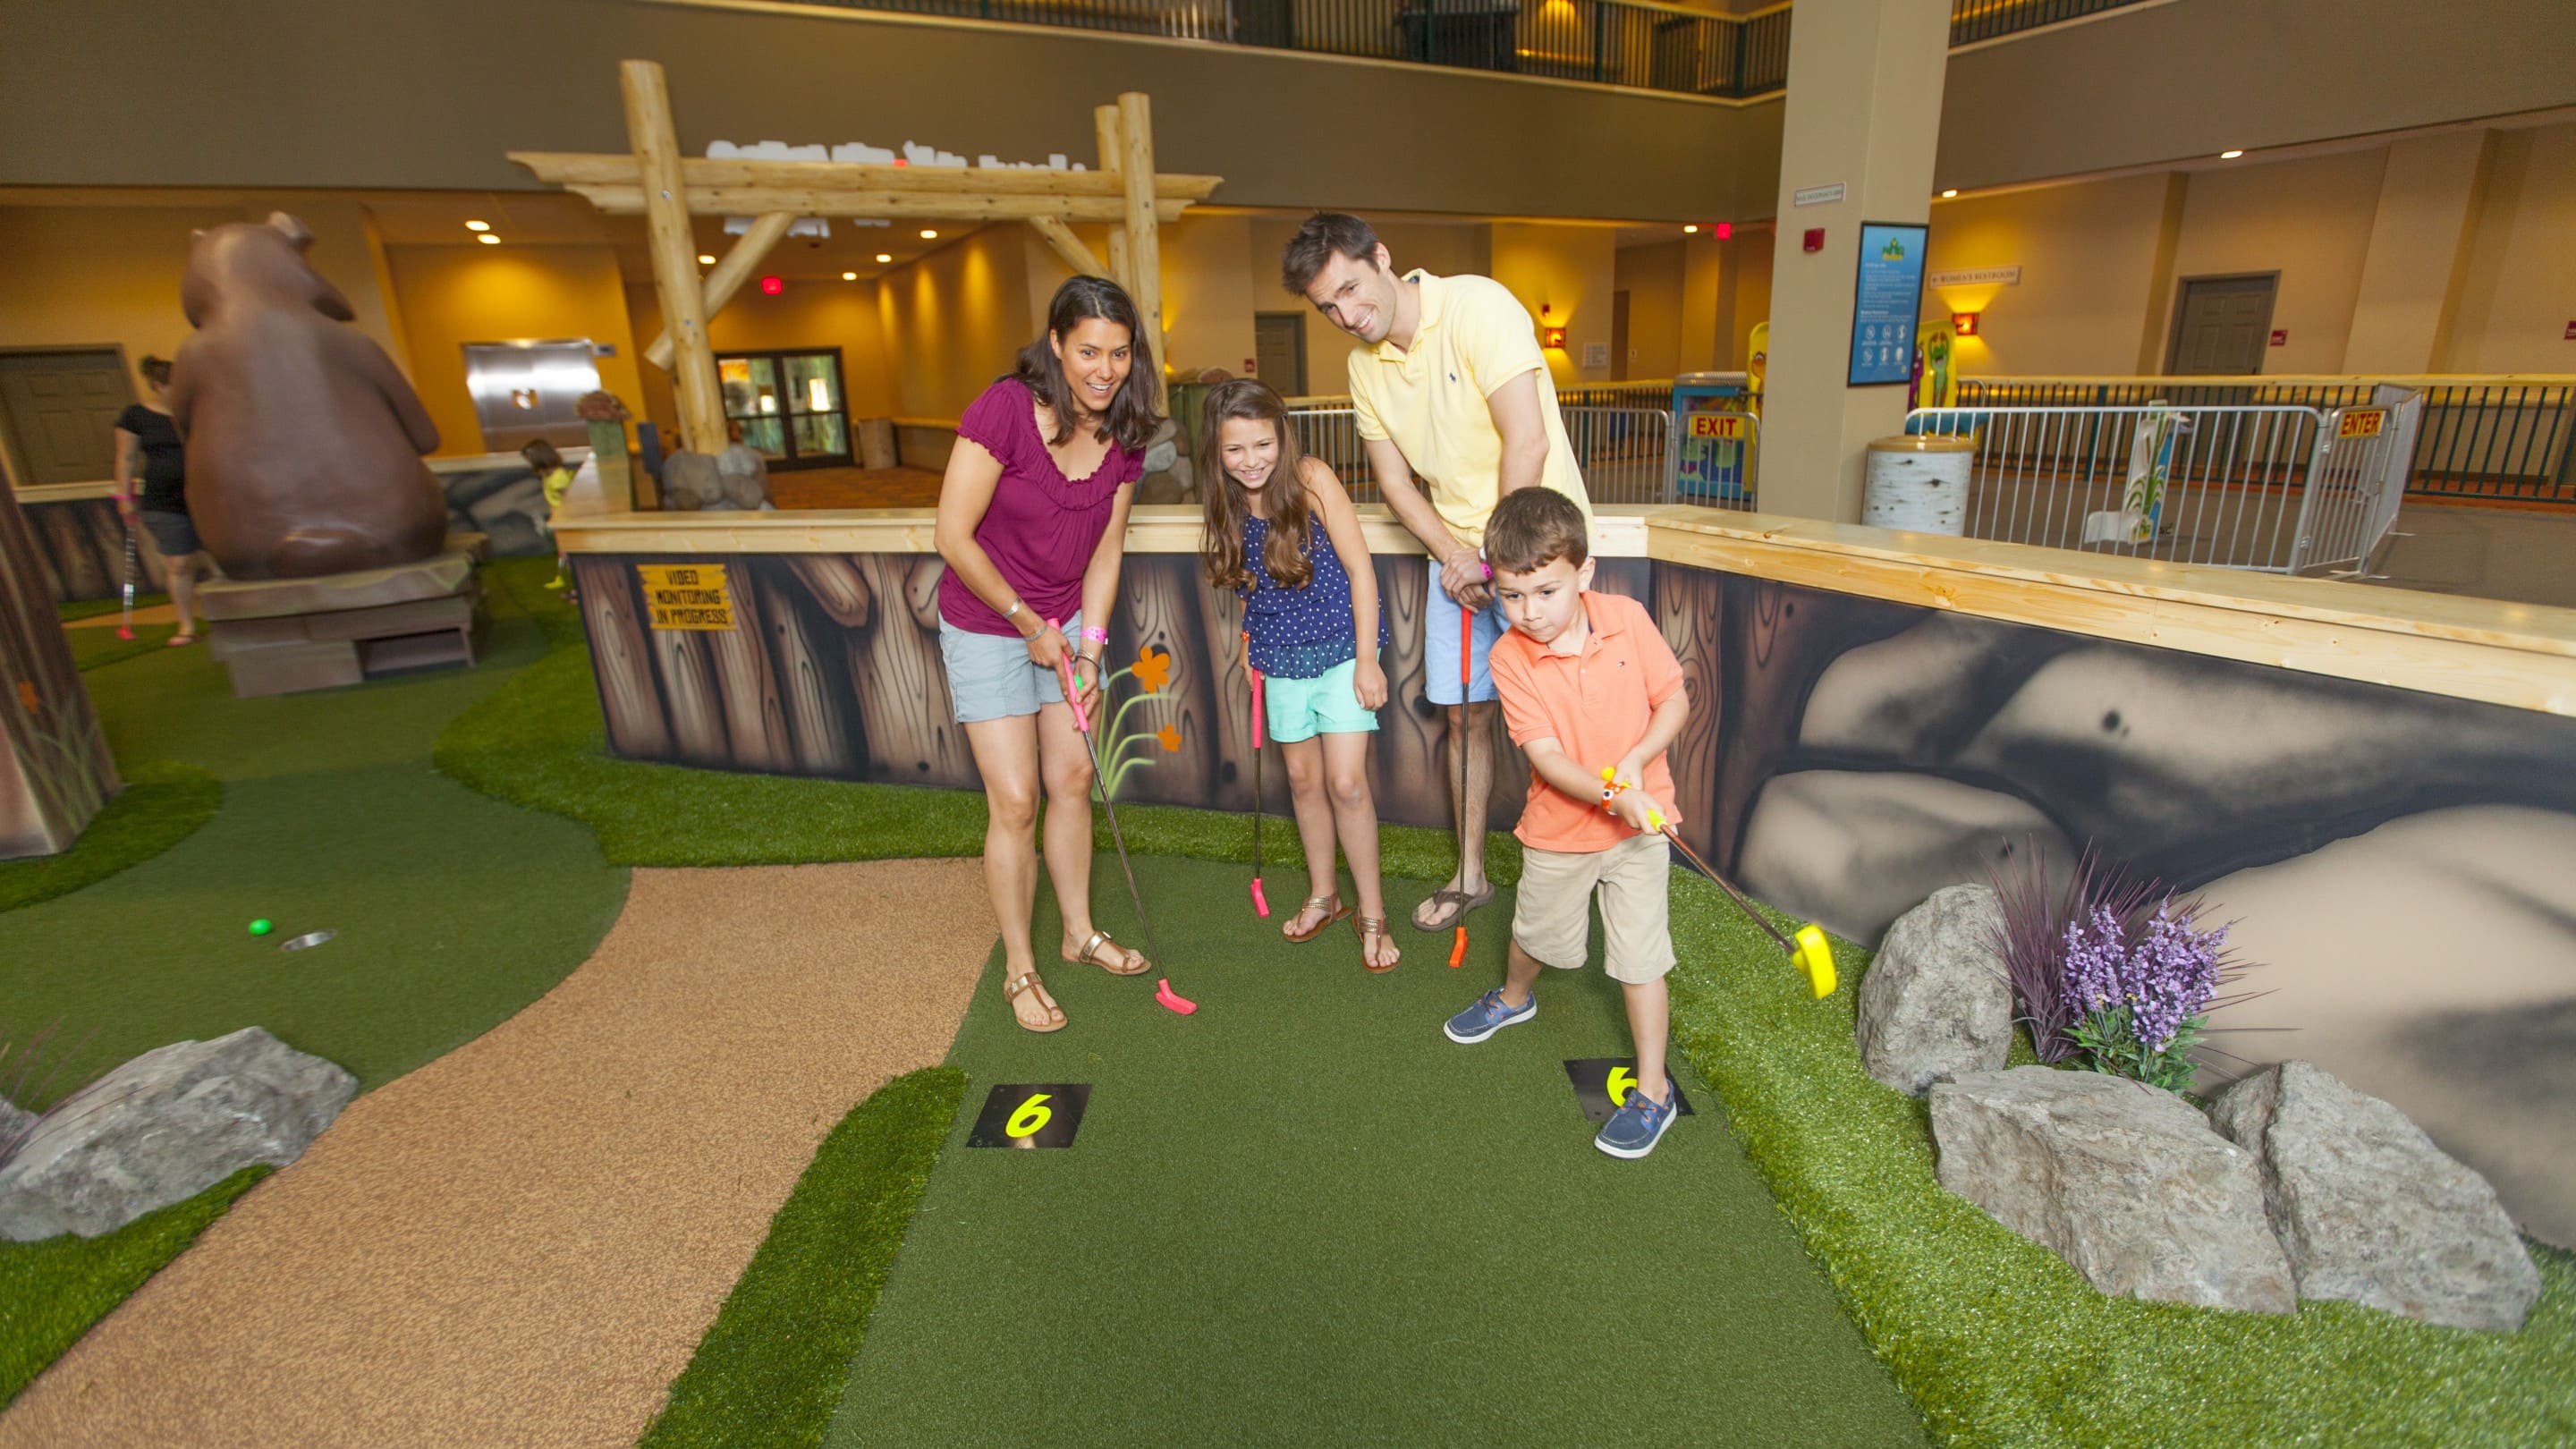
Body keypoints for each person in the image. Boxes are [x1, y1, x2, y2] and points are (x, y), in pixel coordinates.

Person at [1279, 212, 1596, 939]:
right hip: (1458, 562)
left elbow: (1527, 440)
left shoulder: (1478, 305)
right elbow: (1395, 484)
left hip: (1539, 552)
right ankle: (1471, 874)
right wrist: (1457, 557)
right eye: (1328, 307)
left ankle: (1590, 875)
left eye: (1351, 289)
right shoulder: (1363, 368)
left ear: (1382, 257)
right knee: (1465, 717)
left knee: (1570, 716)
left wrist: (1492, 560)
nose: (1347, 315)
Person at [934, 276, 1162, 1033]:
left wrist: (1091, 650)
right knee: (1016, 800)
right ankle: (1019, 968)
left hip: (1065, 625)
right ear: (1057, 343)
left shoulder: (1126, 429)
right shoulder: (1004, 409)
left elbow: (1107, 549)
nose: (1105, 369)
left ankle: (1078, 933)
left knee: (1072, 778)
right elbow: (952, 536)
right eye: (1089, 351)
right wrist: (1028, 622)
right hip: (988, 620)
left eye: (1119, 353)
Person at [1440, 487, 1687, 1159]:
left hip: (1640, 830)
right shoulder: (1508, 657)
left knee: (1641, 960)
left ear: (1584, 573)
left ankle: (1654, 1091)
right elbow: (1546, 758)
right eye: (1513, 596)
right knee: (1535, 937)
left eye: (1546, 592)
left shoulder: (1628, 618)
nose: (1530, 612)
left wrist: (1635, 764)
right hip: (1560, 832)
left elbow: (1673, 701)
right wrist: (1612, 794)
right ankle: (1514, 997)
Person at [1197, 379, 1400, 972]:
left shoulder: (1311, 478)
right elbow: (1247, 580)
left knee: (1346, 783)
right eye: (1235, 449)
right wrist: (1246, 639)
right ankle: (1324, 895)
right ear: (1217, 451)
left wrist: (1368, 659)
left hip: (1342, 651)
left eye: (1262, 444)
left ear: (1282, 437)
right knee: (1304, 781)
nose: (1250, 460)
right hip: (1278, 655)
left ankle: (1372, 913)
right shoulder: (1228, 499)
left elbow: (1362, 571)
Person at [112, 356, 210, 646]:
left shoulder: (196, 413)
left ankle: (235, 616)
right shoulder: (136, 416)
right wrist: (124, 496)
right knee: (179, 563)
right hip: (164, 501)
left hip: (206, 497)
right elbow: (126, 458)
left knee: (219, 559)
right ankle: (187, 625)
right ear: (159, 386)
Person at [520, 437, 577, 595]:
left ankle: (579, 590)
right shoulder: (548, 476)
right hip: (559, 520)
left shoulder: (558, 477)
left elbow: (569, 500)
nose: (529, 464)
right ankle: (576, 588)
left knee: (570, 556)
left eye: (530, 461)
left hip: (566, 521)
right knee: (565, 556)